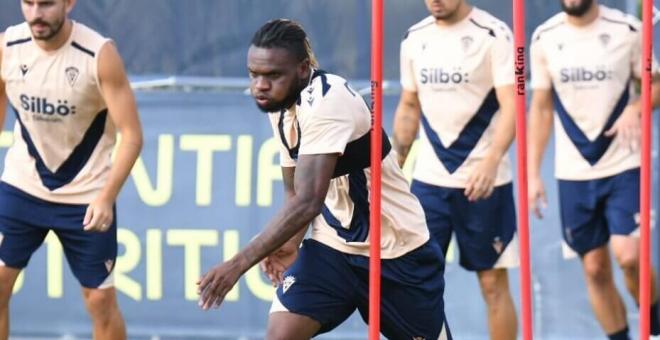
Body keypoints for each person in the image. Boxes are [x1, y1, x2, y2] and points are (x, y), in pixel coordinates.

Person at [197, 19, 451, 340]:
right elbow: (294, 193)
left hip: (395, 249)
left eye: (273, 75)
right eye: (254, 74)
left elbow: (307, 201)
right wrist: (289, 242)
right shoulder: (281, 107)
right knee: (281, 334)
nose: (260, 85)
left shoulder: (328, 102)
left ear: (303, 69)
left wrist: (238, 264)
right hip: (331, 247)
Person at [0, 0, 143, 339]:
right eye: (28, 3)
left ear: (68, 2)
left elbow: (133, 136)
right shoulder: (7, 46)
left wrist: (107, 198)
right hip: (23, 185)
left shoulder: (98, 53)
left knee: (99, 301)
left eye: (47, 3)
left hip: (86, 195)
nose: (36, 14)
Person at [528, 0, 660, 339]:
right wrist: (532, 174)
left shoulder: (629, 30)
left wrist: (636, 107)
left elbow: (655, 84)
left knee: (628, 256)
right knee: (595, 268)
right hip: (574, 171)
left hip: (624, 163)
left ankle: (656, 323)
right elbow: (541, 109)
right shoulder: (545, 37)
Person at [392, 0, 518, 339]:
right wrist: (391, 170)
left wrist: (491, 162)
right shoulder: (413, 37)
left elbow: (513, 107)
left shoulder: (494, 34)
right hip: (429, 184)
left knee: (492, 285)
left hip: (485, 182)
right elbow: (408, 106)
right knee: (417, 284)